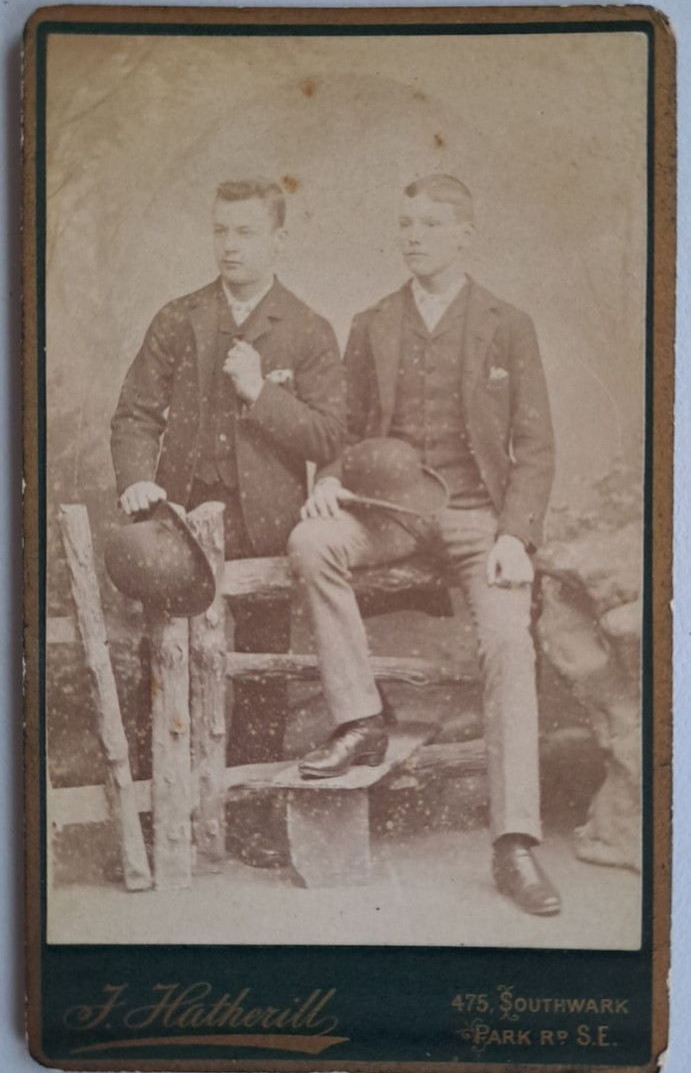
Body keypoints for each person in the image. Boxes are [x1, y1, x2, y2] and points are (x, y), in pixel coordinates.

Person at [288, 173, 560, 916]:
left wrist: (515, 536)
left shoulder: (508, 322)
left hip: (478, 518)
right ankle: (360, 718)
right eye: (405, 223)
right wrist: (330, 477)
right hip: (390, 512)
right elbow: (342, 427)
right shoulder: (372, 321)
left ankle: (513, 842)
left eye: (430, 224)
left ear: (464, 234)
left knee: (507, 639)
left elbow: (534, 446)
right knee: (311, 543)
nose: (413, 235)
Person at [111, 176, 346, 868]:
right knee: (161, 657)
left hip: (263, 529)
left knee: (261, 675)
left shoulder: (306, 329)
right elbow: (134, 414)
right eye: (220, 230)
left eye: (245, 232)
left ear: (278, 237)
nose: (229, 245)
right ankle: (159, 816)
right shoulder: (178, 318)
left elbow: (331, 436)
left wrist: (257, 395)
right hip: (177, 521)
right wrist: (138, 480)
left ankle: (249, 817)